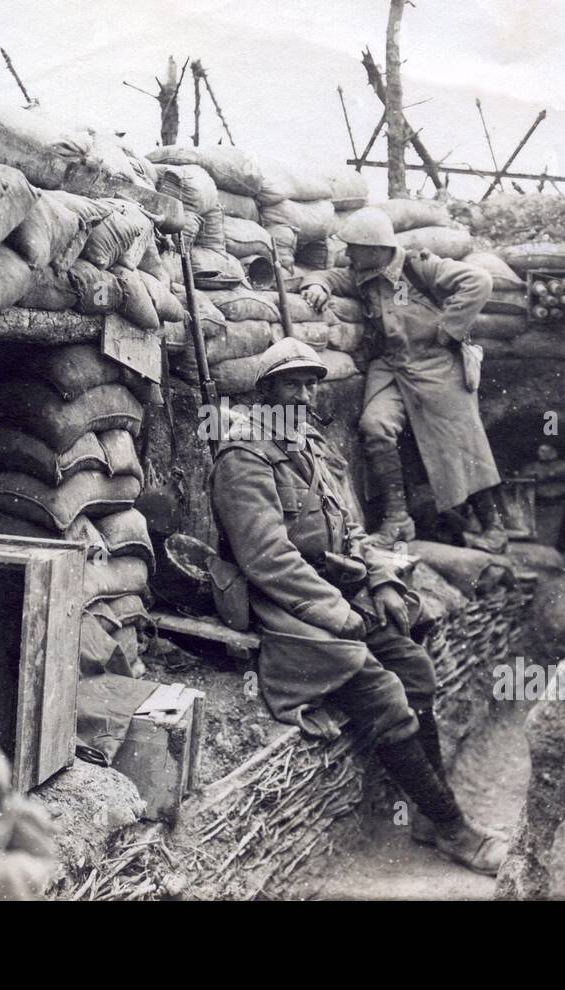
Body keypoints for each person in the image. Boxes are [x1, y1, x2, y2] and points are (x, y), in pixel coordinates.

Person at [207, 337, 508, 874]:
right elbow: (267, 559)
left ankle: (422, 814)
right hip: (281, 607)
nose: (302, 396)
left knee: (415, 668)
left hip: (337, 590)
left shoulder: (312, 449)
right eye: (290, 384)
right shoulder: (243, 458)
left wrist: (382, 578)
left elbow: (349, 531)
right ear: (265, 391)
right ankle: (453, 829)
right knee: (382, 691)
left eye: (308, 385)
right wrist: (337, 613)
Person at [300, 207, 508, 553]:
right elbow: (333, 277)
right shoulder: (362, 272)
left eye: (354, 247)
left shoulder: (417, 267)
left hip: (436, 365)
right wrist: (317, 283)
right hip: (393, 366)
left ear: (376, 249)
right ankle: (398, 520)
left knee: (460, 442)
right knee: (375, 425)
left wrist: (448, 330)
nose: (347, 253)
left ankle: (493, 528)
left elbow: (478, 281)